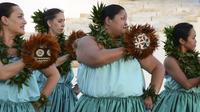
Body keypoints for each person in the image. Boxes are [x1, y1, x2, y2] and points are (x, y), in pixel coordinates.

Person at [74, 4, 165, 112]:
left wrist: (151, 94)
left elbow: (158, 68)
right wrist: (130, 47)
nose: (126, 23)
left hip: (130, 107)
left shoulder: (132, 45)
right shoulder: (87, 41)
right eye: (122, 18)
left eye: (126, 19)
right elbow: (96, 59)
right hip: (96, 107)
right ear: (108, 20)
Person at [0, 2, 60, 112]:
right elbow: (2, 73)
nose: (25, 21)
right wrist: (29, 57)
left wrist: (39, 102)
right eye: (20, 16)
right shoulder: (31, 51)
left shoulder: (29, 47)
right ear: (5, 20)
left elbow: (54, 74)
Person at [32, 8, 78, 112]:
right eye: (59, 21)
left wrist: (78, 88)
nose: (63, 24)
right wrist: (68, 56)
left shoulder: (66, 44)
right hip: (48, 92)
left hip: (66, 95)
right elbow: (48, 63)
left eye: (64, 21)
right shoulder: (40, 42)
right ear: (49, 23)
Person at [153, 23, 200, 112]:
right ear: (182, 40)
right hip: (176, 103)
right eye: (193, 38)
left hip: (195, 103)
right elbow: (187, 85)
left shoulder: (196, 60)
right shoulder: (170, 61)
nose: (196, 41)